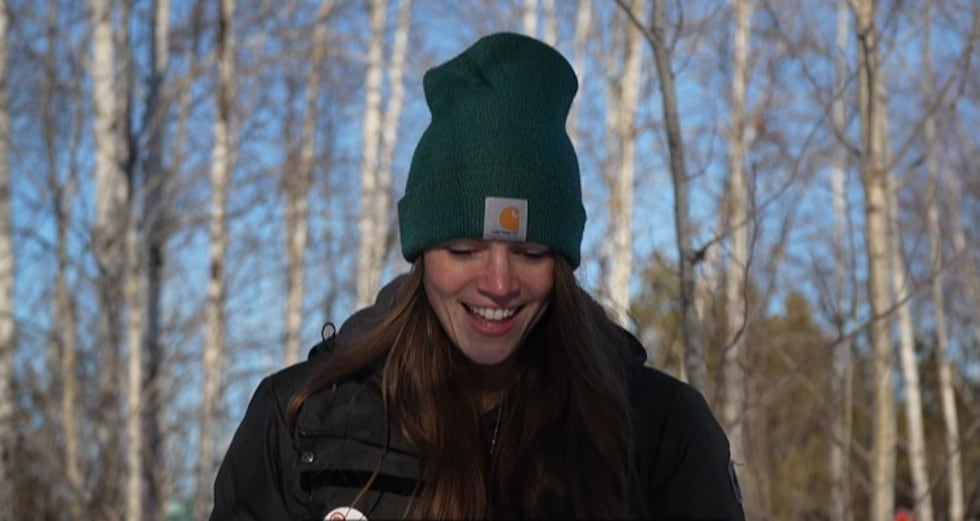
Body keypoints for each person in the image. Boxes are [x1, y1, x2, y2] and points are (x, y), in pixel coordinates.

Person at [210, 32, 745, 520]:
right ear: (422, 253)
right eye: (465, 249)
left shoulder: (659, 432)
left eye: (530, 252)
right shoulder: (304, 422)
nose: (498, 283)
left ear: (562, 262)